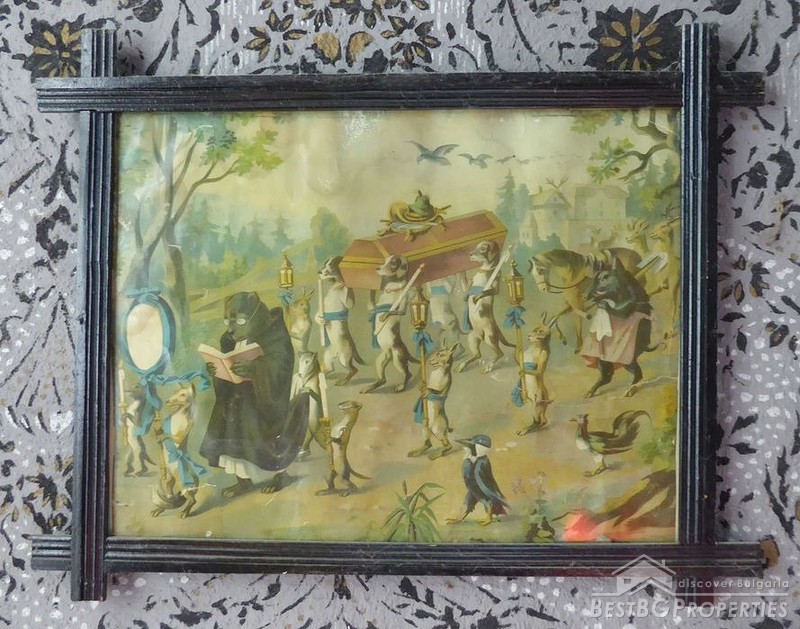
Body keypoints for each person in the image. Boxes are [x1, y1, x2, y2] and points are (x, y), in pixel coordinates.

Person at [200, 291, 305, 497]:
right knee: (230, 430)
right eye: (228, 321)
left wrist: (255, 370)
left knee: (261, 434)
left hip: (264, 404)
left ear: (256, 317)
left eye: (239, 321)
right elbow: (226, 371)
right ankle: (243, 480)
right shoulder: (229, 340)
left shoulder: (275, 336)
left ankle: (279, 475)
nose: (231, 328)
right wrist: (217, 371)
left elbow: (281, 368)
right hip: (238, 402)